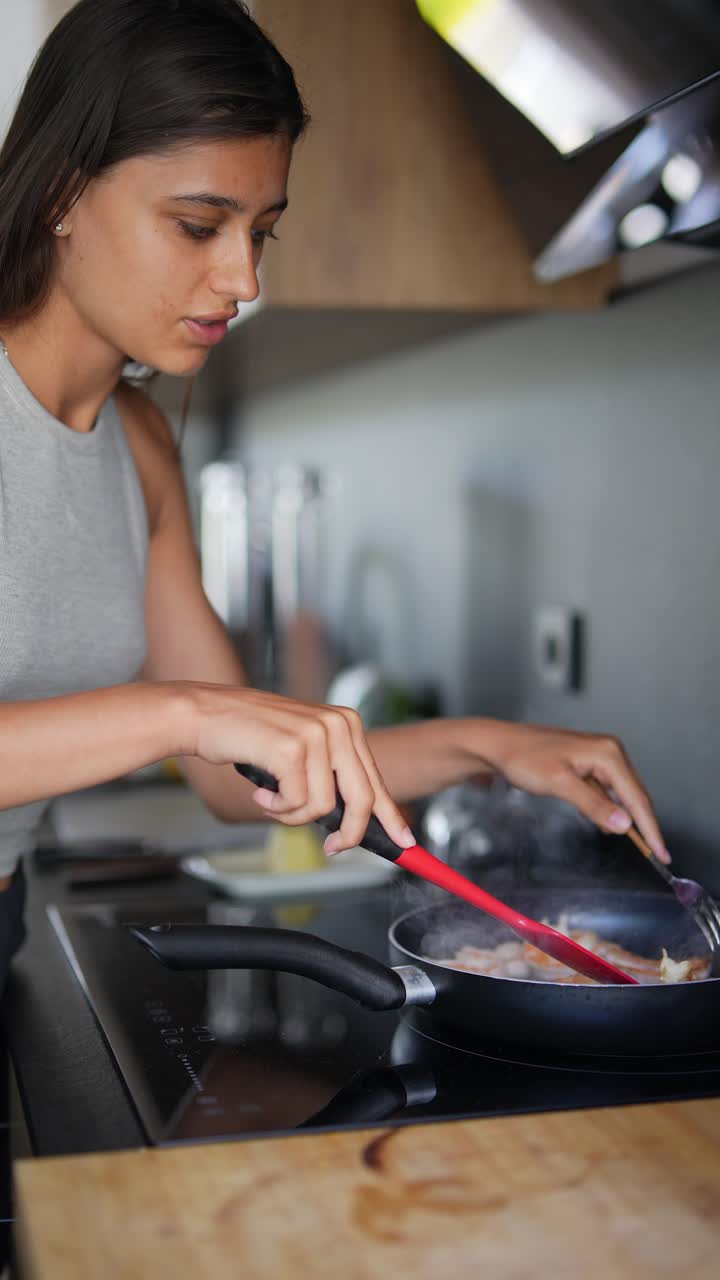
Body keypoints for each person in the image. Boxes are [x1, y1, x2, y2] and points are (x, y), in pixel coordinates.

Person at [0, 0, 668, 991]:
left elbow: (237, 783)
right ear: (61, 186)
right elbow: (201, 722)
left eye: (261, 231)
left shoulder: (140, 448)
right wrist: (184, 711)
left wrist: (489, 745)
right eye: (198, 224)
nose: (242, 277)